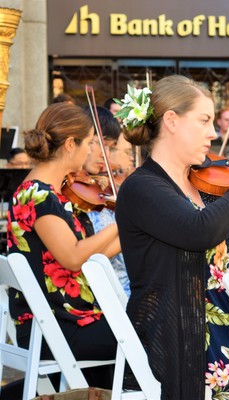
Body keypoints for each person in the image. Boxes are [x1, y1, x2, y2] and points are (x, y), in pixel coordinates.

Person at [115, 75, 229, 399]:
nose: (213, 133)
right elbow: (198, 231)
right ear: (171, 120)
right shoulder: (142, 188)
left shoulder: (207, 190)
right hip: (183, 335)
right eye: (203, 121)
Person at [7, 102, 120, 387]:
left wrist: (132, 233)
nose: (91, 150)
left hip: (65, 319)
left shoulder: (50, 194)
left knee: (146, 329)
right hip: (56, 327)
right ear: (71, 144)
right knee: (157, 333)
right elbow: (73, 258)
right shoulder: (38, 196)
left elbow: (92, 257)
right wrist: (123, 220)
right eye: (90, 142)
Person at [75, 106, 130, 297]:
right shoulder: (71, 197)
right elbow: (91, 259)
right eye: (100, 144)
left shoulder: (102, 187)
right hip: (104, 297)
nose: (105, 154)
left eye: (111, 147)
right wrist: (135, 225)